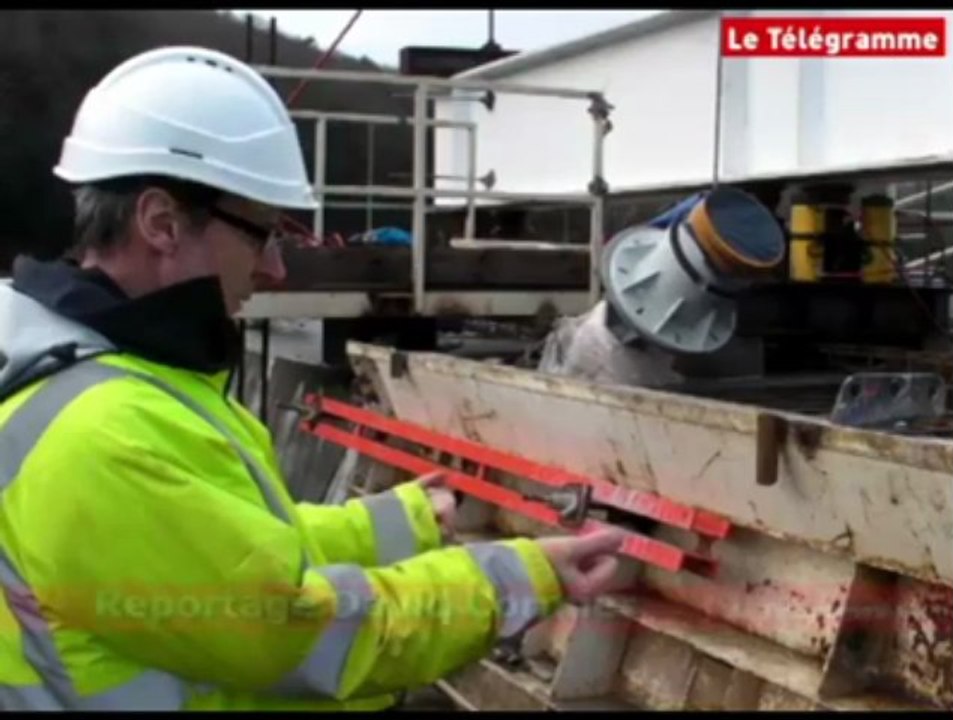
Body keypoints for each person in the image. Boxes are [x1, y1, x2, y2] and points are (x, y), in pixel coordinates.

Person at [0, 46, 624, 711]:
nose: (275, 269)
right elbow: (299, 631)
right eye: (262, 234)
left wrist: (401, 518)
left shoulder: (92, 375)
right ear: (161, 223)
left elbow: (233, 545)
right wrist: (517, 579)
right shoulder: (105, 437)